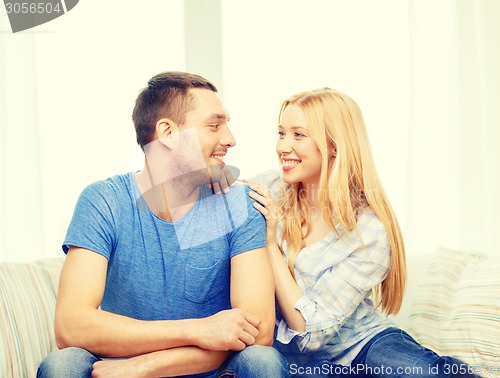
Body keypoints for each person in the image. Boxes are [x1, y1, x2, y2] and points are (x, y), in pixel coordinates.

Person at [37, 72, 289, 378]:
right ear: (168, 133)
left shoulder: (241, 205)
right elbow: (71, 325)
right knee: (62, 365)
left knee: (262, 361)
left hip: (200, 372)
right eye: (214, 125)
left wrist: (146, 366)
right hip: (114, 371)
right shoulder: (103, 201)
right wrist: (200, 329)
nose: (230, 139)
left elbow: (258, 331)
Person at [248, 88, 480, 377]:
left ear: (334, 145)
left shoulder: (369, 230)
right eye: (281, 133)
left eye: (298, 135)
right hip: (298, 358)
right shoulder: (267, 190)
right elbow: (195, 196)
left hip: (363, 344)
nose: (283, 146)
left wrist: (270, 246)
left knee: (424, 372)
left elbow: (310, 335)